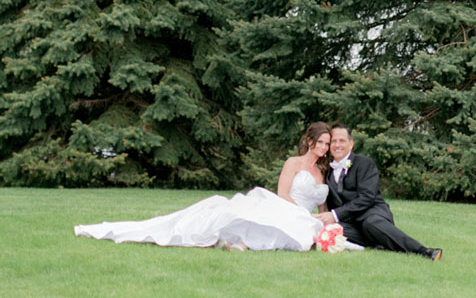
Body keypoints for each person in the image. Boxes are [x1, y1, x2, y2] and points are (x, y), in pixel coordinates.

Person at [74, 122, 333, 251]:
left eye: (327, 144)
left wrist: (325, 219)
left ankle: (241, 243)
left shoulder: (322, 170)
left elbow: (322, 202)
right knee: (243, 215)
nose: (323, 148)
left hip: (308, 217)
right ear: (309, 141)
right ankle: (234, 239)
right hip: (288, 208)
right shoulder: (294, 163)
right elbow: (282, 194)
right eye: (320, 142)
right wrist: (301, 213)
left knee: (302, 234)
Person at [319, 124, 443, 260]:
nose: (337, 145)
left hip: (372, 215)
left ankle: (424, 251)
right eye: (334, 141)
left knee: (370, 224)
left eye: (342, 141)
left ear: (351, 144)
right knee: (328, 230)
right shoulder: (328, 171)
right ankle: (379, 241)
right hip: (350, 224)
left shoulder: (365, 163)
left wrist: (335, 215)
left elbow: (367, 197)